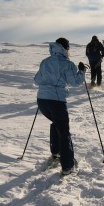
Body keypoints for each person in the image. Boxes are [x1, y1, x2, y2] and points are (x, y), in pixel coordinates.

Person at [34, 37, 87, 176]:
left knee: (56, 123)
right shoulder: (67, 64)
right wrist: (81, 71)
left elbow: (37, 80)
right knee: (64, 131)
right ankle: (67, 165)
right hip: (56, 101)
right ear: (65, 48)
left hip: (42, 100)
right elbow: (75, 82)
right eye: (68, 48)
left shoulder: (45, 62)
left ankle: (56, 153)